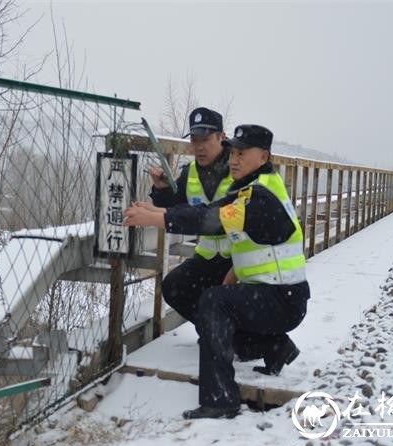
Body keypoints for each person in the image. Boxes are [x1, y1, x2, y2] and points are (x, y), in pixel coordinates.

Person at [125, 124, 310, 419]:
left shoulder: (260, 198)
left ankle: (220, 398)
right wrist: (158, 212)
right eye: (233, 152)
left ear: (263, 156)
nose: (234, 159)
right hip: (272, 292)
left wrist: (154, 218)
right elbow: (212, 211)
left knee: (213, 301)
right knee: (215, 309)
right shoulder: (250, 189)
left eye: (242, 153)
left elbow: (211, 219)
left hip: (282, 299)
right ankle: (274, 348)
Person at [147, 107, 235, 336]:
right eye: (195, 140)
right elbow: (177, 207)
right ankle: (213, 331)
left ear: (222, 137)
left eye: (205, 139)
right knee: (173, 287)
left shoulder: (238, 168)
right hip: (207, 258)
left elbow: (219, 216)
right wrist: (162, 189)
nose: (199, 147)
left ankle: (255, 342)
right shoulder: (191, 171)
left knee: (234, 300)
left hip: (240, 260)